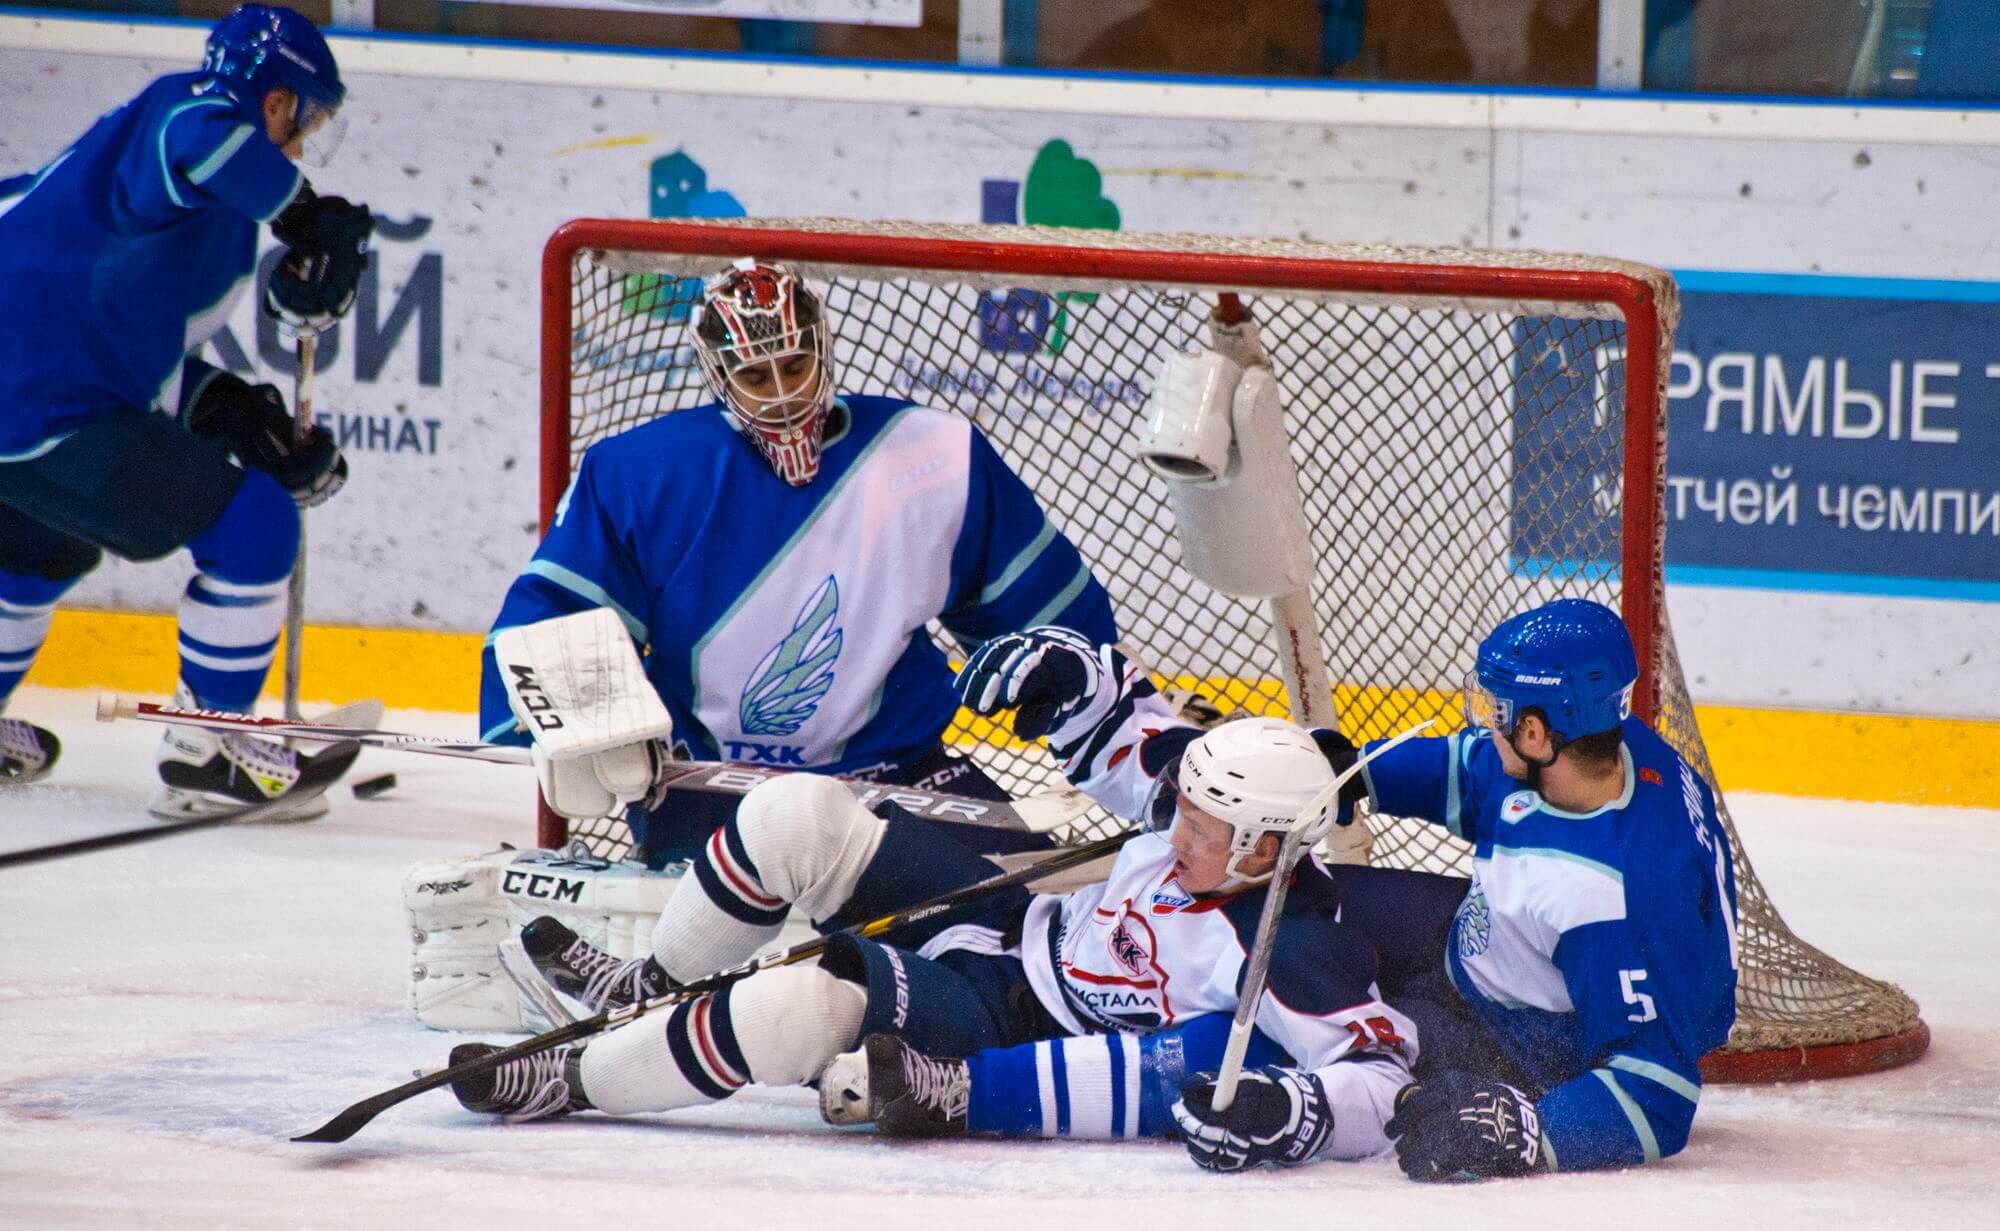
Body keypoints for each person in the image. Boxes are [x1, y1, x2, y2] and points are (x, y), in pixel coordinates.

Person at [862, 601, 1739, 1180]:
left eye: (1502, 709)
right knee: (1306, 903)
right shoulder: (1614, 756)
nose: (1484, 718)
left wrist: (1533, 1130)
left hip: (1523, 1038)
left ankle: (1267, 1096)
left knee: (1288, 1031)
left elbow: (1657, 1088)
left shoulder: (1612, 898)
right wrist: (1328, 774)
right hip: (1478, 951)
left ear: (1544, 730)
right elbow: (1467, 775)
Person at [442, 692, 1417, 1167]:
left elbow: (1381, 1073)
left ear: (1267, 848)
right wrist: (1076, 689)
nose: (1178, 824)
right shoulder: (1197, 816)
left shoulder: (1293, 945)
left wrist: (1298, 1114)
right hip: (1010, 921)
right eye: (1187, 806)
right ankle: (649, 987)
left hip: (1001, 1023)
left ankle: (570, 1077)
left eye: (1207, 823)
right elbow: (1124, 735)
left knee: (794, 1005)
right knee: (796, 816)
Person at [479, 260, 1117, 866]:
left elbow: (1051, 618)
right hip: (712, 785)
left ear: (824, 351)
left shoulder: (931, 456)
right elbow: (552, 625)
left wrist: (1069, 681)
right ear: (717, 375)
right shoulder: (641, 475)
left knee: (1026, 927)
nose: (783, 395)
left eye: (795, 364)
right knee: (711, 956)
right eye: (756, 377)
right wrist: (583, 721)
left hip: (898, 777)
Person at [0, 4, 370, 817]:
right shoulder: (184, 114)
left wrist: (236, 415)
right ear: (273, 102)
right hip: (34, 399)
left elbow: (124, 349)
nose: (303, 143)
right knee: (255, 526)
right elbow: (198, 129)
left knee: (39, 543)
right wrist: (306, 215)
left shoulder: (196, 211)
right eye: (303, 119)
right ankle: (210, 747)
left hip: (32, 398)